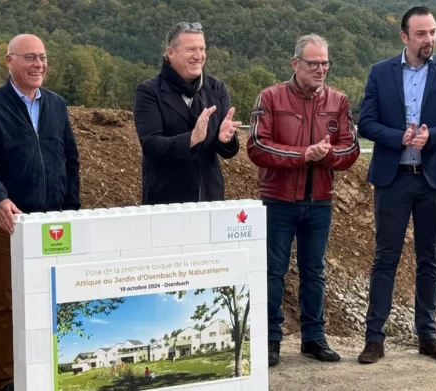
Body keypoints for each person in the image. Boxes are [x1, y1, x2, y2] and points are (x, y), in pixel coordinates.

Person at [0, 33, 81, 391]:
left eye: (43, 57)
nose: (39, 64)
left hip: (54, 222)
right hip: (11, 222)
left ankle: (49, 373)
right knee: (8, 304)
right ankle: (9, 380)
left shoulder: (57, 106)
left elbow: (71, 160)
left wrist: (72, 210)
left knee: (54, 299)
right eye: (30, 57)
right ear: (9, 61)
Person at [356, 6, 436, 365]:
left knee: (429, 258)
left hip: (434, 180)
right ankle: (374, 338)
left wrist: (432, 135)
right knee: (385, 257)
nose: (429, 39)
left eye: (432, 32)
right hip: (393, 177)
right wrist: (397, 137)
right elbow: (366, 123)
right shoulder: (379, 73)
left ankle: (427, 335)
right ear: (404, 37)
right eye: (421, 34)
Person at [246, 34, 360, 367]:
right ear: (295, 63)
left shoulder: (337, 101)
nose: (320, 69)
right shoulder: (270, 97)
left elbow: (350, 149)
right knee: (273, 272)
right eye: (314, 63)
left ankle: (313, 338)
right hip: (278, 200)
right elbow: (257, 147)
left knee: (314, 271)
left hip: (320, 200)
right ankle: (270, 340)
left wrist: (326, 156)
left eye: (325, 63)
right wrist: (303, 154)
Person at [133, 21, 243, 205]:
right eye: (191, 49)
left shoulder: (216, 88)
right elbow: (151, 146)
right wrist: (191, 139)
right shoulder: (149, 92)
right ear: (171, 53)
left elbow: (225, 151)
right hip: (166, 201)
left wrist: (226, 140)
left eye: (202, 49)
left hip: (210, 198)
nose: (198, 56)